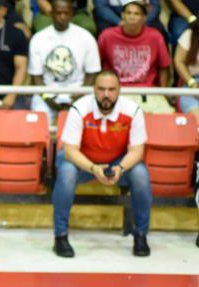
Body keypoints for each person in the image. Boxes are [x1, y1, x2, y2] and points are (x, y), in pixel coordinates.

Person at [53, 70, 151, 257]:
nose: (106, 94)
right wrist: (92, 168)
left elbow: (138, 151)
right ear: (94, 90)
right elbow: (70, 150)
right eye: (101, 89)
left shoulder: (133, 110)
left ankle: (140, 235)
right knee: (66, 172)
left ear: (119, 90)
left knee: (140, 174)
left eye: (112, 89)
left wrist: (120, 168)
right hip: (83, 161)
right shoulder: (79, 108)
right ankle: (60, 236)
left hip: (117, 161)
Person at [28, 0, 100, 122]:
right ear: (51, 14)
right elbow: (36, 78)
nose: (62, 17)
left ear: (72, 14)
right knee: (38, 118)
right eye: (58, 13)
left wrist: (76, 98)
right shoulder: (38, 39)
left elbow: (92, 74)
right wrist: (48, 99)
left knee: (90, 116)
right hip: (47, 94)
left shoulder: (86, 37)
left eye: (66, 13)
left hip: (79, 93)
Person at [97, 0, 172, 113]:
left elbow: (163, 67)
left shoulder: (155, 36)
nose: (132, 17)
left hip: (147, 91)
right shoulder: (107, 36)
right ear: (122, 15)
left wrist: (163, 92)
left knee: (167, 116)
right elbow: (97, 64)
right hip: (116, 90)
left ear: (144, 18)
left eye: (136, 14)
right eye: (128, 13)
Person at [94, 0, 167, 39]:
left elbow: (155, 6)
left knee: (158, 29)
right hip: (114, 15)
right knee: (103, 29)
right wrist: (119, 22)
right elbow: (101, 7)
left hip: (144, 17)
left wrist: (142, 21)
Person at [174, 19, 199, 119]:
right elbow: (178, 61)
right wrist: (191, 82)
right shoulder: (191, 33)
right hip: (193, 84)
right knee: (196, 119)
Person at [32, 0, 96, 34]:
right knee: (43, 28)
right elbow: (42, 1)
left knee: (88, 27)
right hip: (50, 12)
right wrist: (55, 13)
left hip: (77, 12)